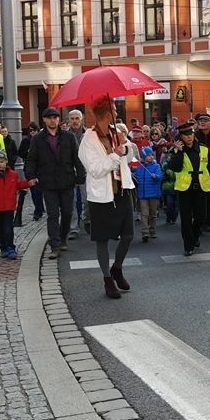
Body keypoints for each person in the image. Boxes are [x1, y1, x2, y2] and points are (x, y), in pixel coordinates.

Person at [77, 96, 136, 299]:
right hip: (102, 196)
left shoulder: (117, 132)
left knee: (128, 235)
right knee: (102, 239)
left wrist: (124, 148)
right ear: (107, 113)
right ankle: (107, 279)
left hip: (122, 190)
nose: (118, 113)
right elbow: (94, 170)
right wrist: (115, 155)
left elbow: (130, 156)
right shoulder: (88, 140)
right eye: (114, 110)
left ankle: (116, 268)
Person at [24, 107, 85, 260]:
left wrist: (80, 175)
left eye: (55, 117)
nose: (53, 120)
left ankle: (63, 237)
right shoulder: (38, 139)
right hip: (48, 182)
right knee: (52, 214)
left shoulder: (68, 137)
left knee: (67, 213)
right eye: (49, 118)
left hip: (67, 181)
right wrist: (30, 175)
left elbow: (76, 158)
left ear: (59, 120)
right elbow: (31, 159)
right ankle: (55, 246)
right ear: (44, 120)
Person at [169, 121, 210, 256]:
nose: (189, 137)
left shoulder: (203, 148)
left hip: (201, 187)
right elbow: (175, 167)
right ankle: (188, 245)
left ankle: (195, 236)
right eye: (185, 135)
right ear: (181, 137)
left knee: (201, 217)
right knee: (185, 218)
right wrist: (178, 152)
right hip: (184, 188)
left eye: (190, 134)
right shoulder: (176, 150)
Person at [194, 113, 210, 232]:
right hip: (195, 169)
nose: (202, 122)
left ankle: (207, 221)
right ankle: (198, 221)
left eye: (205, 120)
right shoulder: (194, 136)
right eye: (200, 120)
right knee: (198, 198)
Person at [133, 146, 163, 242]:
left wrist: (156, 176)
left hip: (153, 194)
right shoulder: (139, 167)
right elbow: (135, 176)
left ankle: (152, 230)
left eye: (152, 155)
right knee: (144, 214)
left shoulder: (156, 166)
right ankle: (145, 232)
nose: (151, 157)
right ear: (144, 156)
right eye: (148, 155)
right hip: (142, 194)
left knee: (153, 213)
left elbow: (160, 177)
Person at [68, 109, 88, 237]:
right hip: (69, 172)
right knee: (72, 201)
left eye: (77, 118)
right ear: (68, 120)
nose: (75, 121)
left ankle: (87, 220)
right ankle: (73, 228)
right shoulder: (64, 135)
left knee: (87, 200)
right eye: (72, 118)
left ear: (81, 119)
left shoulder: (88, 134)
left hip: (85, 171)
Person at [18, 122, 44, 221]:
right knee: (34, 190)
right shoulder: (26, 141)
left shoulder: (41, 140)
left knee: (40, 191)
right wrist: (27, 153)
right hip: (30, 168)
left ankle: (40, 208)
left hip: (41, 169)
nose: (32, 132)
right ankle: (38, 210)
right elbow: (20, 153)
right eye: (30, 130)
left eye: (34, 130)